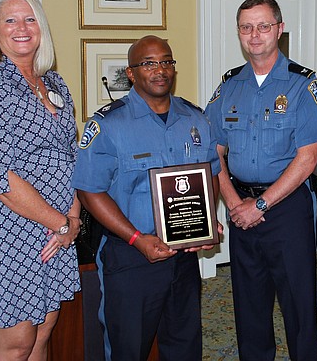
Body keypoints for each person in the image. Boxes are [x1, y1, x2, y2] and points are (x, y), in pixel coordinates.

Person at [72, 35, 221, 361]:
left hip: (183, 256)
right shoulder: (108, 125)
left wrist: (207, 221)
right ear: (131, 73)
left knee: (184, 343)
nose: (160, 70)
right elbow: (88, 190)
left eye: (166, 61)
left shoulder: (195, 118)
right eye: (149, 63)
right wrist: (137, 239)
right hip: (130, 257)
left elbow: (210, 172)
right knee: (128, 348)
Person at [0, 0, 81, 361]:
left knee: (43, 335)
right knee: (16, 343)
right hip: (10, 228)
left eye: (29, 19)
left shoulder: (55, 85)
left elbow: (71, 157)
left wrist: (73, 220)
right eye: (9, 20)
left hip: (57, 228)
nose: (21, 27)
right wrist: (59, 223)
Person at [205, 0, 317, 360]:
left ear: (279, 29)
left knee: (298, 303)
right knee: (248, 300)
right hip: (239, 206)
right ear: (239, 32)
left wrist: (261, 204)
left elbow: (308, 159)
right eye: (246, 27)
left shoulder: (303, 84)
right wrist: (232, 202)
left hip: (287, 209)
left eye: (263, 26)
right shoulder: (228, 88)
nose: (254, 35)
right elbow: (215, 152)